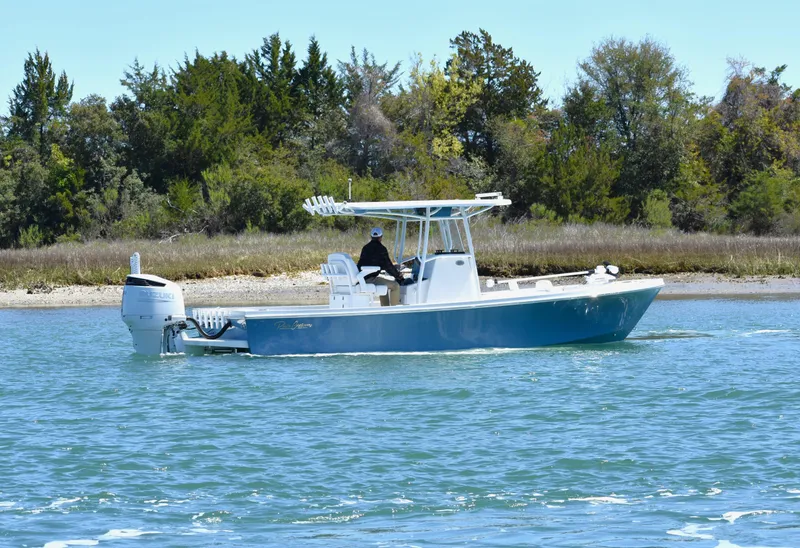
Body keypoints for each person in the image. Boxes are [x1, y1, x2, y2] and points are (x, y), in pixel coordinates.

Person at [357, 227, 408, 306]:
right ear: (381, 237)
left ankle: (385, 308)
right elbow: (388, 266)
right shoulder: (381, 249)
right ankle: (394, 311)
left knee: (383, 286)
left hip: (362, 278)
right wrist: (398, 276)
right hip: (371, 279)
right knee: (395, 286)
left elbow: (371, 262)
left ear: (371, 237)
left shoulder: (365, 248)